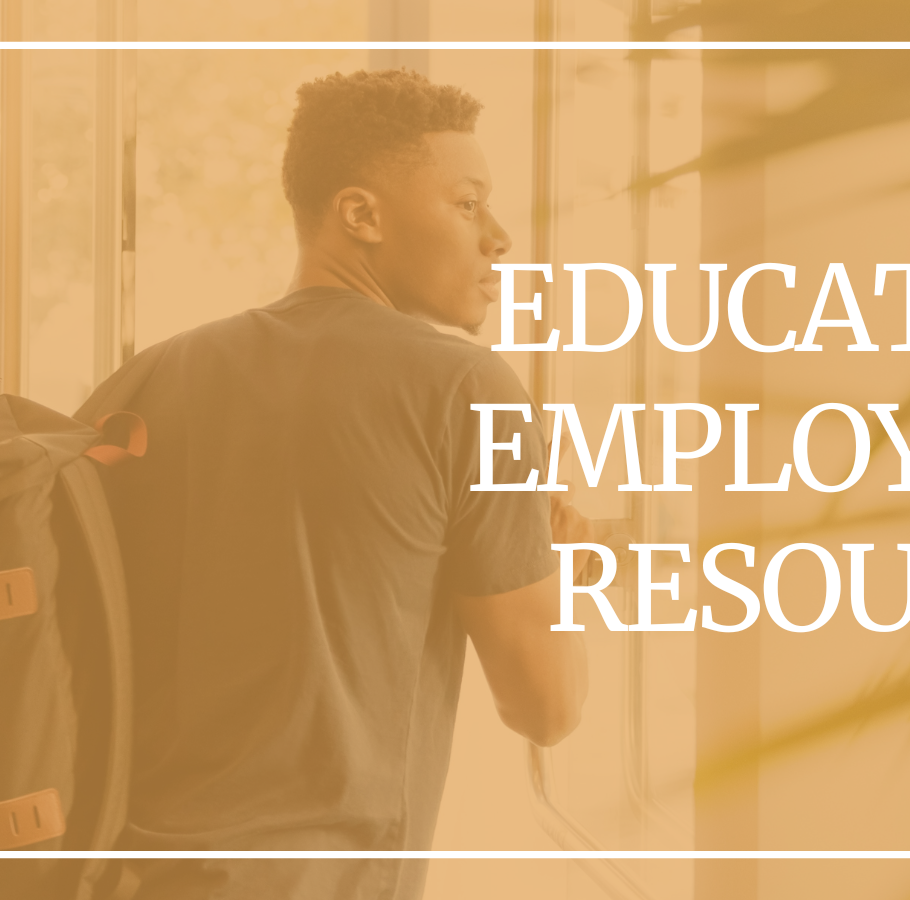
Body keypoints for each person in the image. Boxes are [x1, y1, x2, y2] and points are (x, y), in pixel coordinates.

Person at [104, 68, 590, 899]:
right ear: (359, 214)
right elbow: (546, 708)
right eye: (468, 203)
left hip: (124, 871)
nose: (499, 236)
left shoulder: (153, 377)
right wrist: (561, 565)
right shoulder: (468, 390)